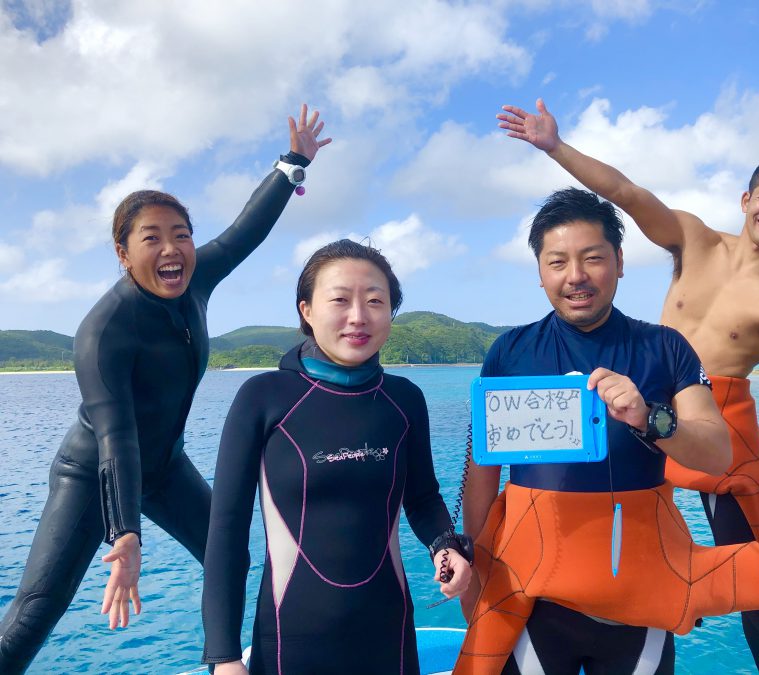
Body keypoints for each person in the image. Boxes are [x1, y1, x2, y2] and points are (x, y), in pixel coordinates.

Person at [497, 98, 759, 671]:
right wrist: (555, 148)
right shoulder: (695, 240)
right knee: (593, 501)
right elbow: (628, 193)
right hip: (645, 388)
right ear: (747, 200)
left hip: (720, 406)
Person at [0, 105, 331, 674]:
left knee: (227, 554)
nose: (172, 248)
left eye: (182, 235)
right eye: (151, 238)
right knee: (38, 608)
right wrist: (124, 533)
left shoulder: (196, 276)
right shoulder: (103, 332)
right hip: (94, 473)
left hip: (165, 464)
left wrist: (292, 164)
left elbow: (244, 232)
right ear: (124, 255)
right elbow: (117, 439)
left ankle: (231, 662)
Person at [455, 188, 759, 675]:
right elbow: (481, 466)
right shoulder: (510, 352)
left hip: (640, 587)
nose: (576, 276)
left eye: (593, 258)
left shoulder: (665, 348)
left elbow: (715, 452)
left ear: (620, 261)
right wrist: (475, 562)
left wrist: (651, 418)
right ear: (540, 272)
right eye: (557, 262)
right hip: (532, 589)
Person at [201, 239, 473, 675]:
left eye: (375, 301)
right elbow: (227, 533)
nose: (358, 317)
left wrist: (445, 545)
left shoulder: (404, 400)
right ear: (306, 310)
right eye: (340, 300)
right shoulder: (264, 398)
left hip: (388, 636)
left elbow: (422, 499)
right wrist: (223, 655)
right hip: (291, 640)